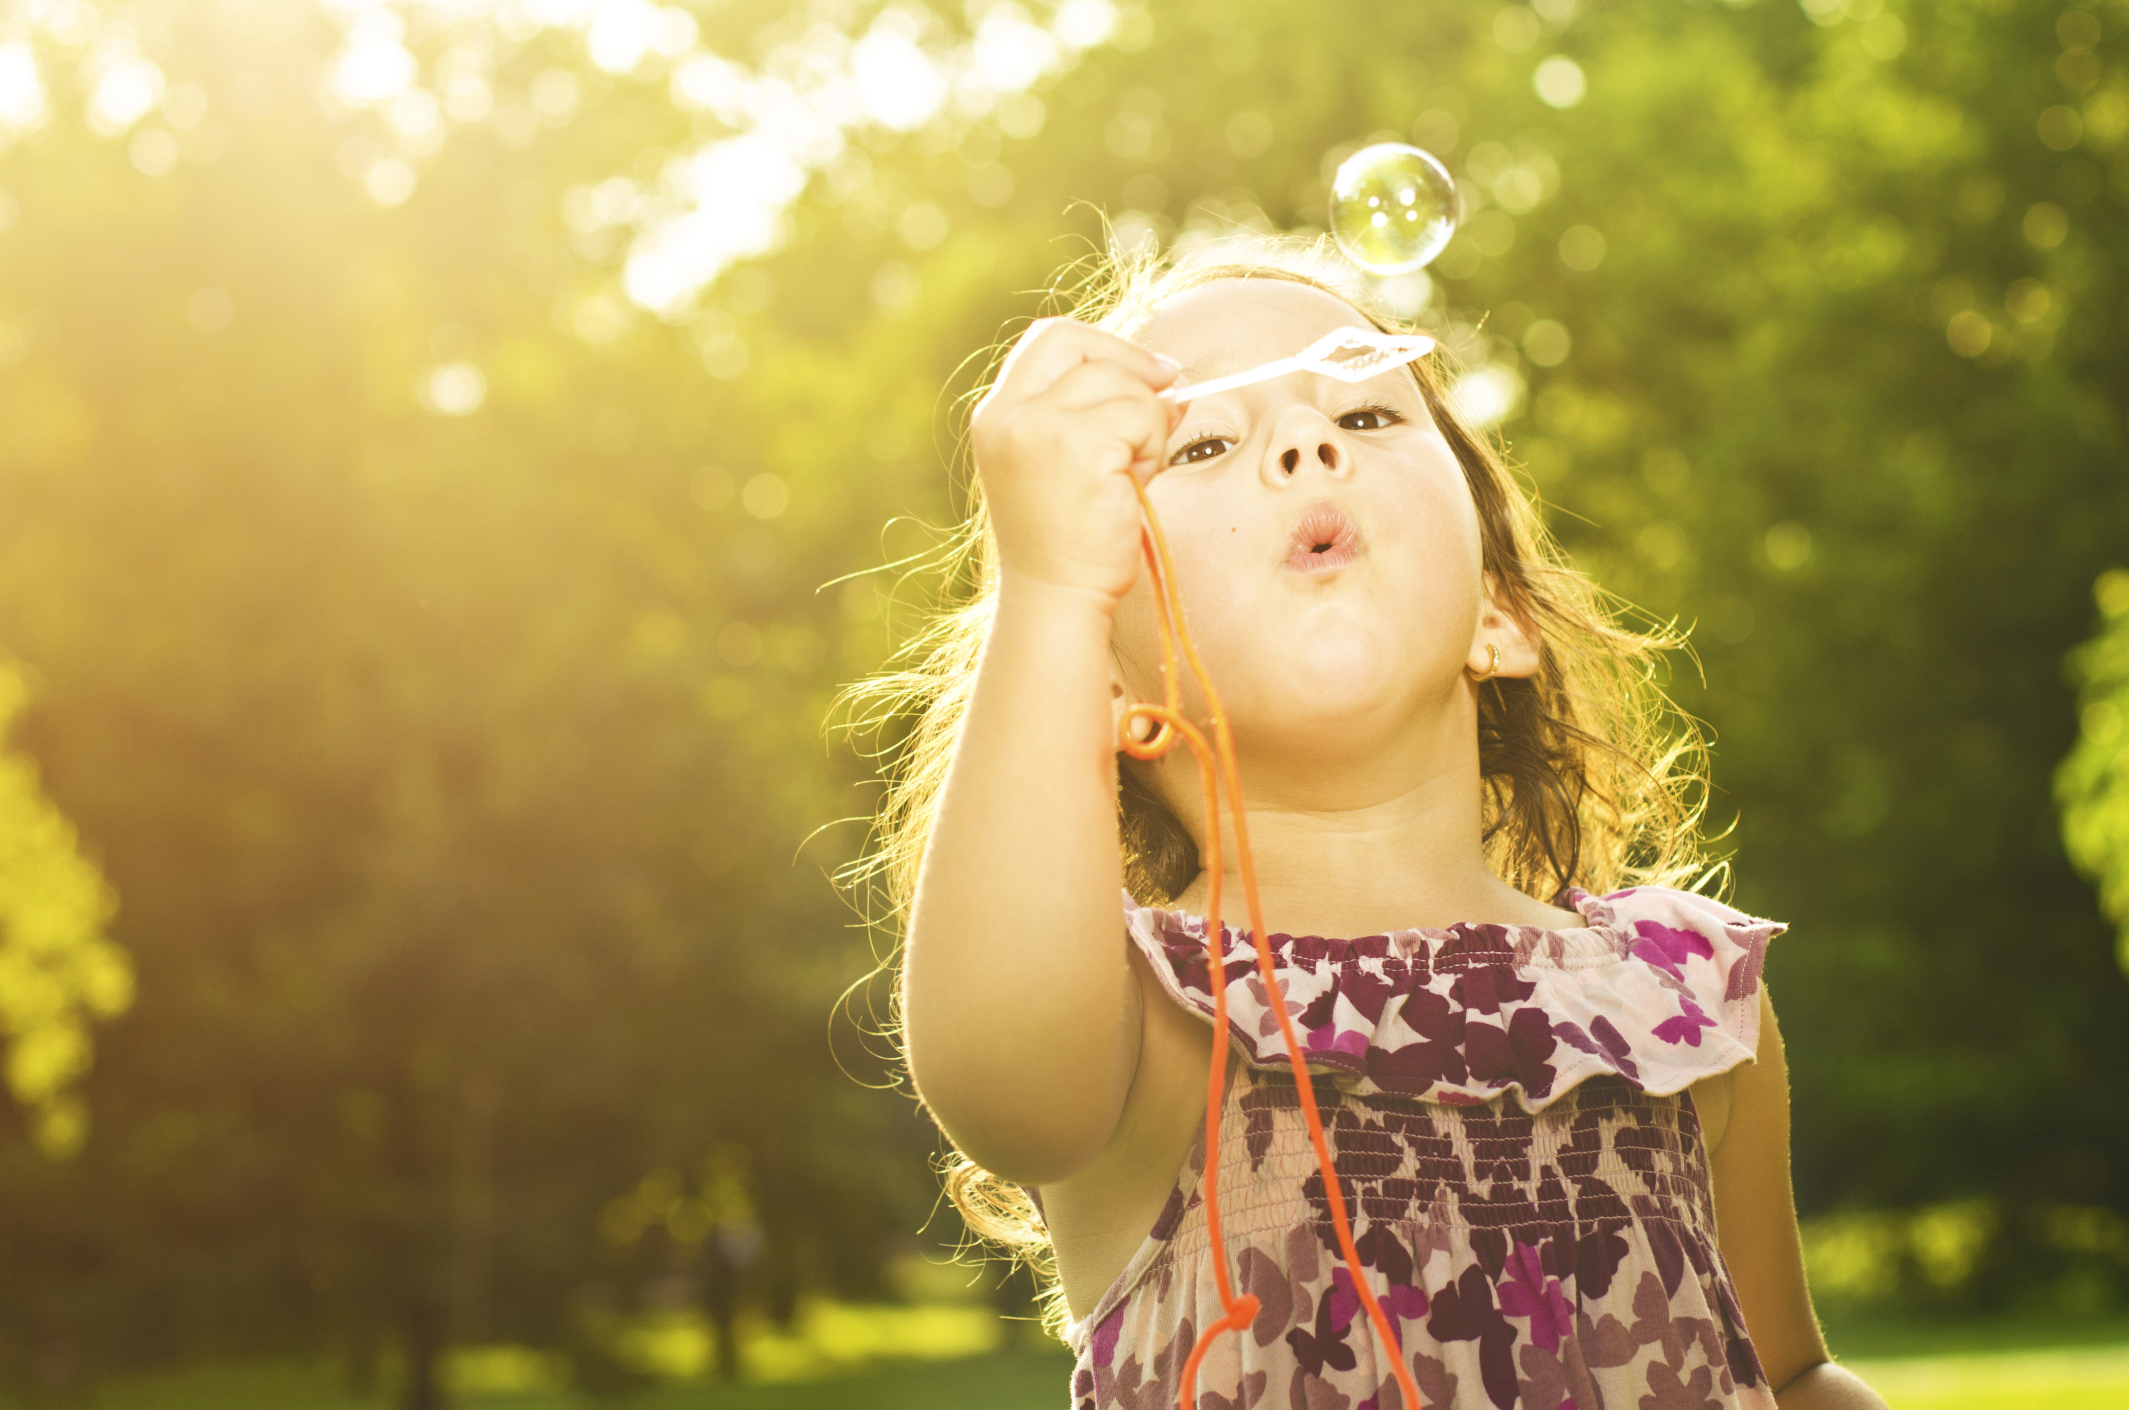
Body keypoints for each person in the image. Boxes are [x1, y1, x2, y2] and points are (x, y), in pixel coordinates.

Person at [851, 237, 1887, 1409]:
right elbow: (1001, 1083)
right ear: (1100, 688)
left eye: (1368, 414)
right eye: (1202, 443)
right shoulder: (1141, 1017)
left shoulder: (1680, 1004)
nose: (1304, 444)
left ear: (1498, 615)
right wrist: (1041, 589)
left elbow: (1789, 1375)